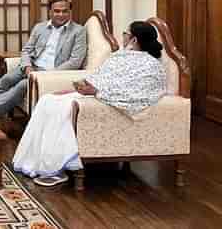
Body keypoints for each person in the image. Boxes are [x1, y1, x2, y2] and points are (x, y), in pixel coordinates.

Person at [12, 21, 167, 187]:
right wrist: (78, 89)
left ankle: (55, 167)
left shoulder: (151, 65)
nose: (122, 36)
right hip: (97, 96)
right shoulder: (120, 56)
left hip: (107, 101)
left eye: (125, 33)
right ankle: (35, 160)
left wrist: (96, 92)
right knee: (47, 100)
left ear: (134, 40)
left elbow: (137, 93)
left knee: (62, 108)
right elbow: (101, 78)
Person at [0, 0, 87, 122]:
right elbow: (26, 50)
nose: (61, 14)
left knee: (22, 85)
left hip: (51, 72)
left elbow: (75, 61)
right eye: (57, 11)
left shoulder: (79, 31)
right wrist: (27, 66)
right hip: (33, 66)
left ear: (70, 11)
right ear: (50, 12)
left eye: (65, 11)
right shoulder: (40, 27)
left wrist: (47, 75)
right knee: (6, 79)